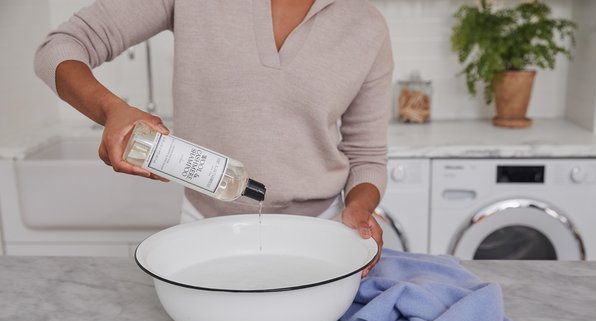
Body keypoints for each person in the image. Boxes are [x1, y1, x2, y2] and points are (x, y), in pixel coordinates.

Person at [34, 0, 393, 276]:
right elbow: (61, 47)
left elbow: (367, 154)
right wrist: (111, 109)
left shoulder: (366, 25)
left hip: (321, 236)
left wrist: (359, 208)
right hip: (206, 229)